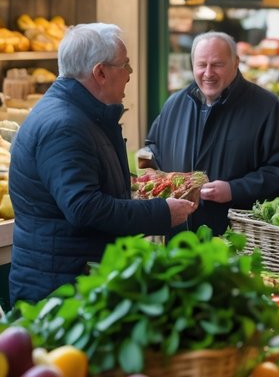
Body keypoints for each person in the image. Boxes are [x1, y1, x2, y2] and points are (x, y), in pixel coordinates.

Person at [7, 24, 199, 304]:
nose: (129, 76)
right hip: (60, 291)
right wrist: (161, 213)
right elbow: (84, 207)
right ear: (100, 73)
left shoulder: (80, 116)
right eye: (126, 67)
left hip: (70, 277)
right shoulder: (65, 125)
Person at [146, 32, 279, 235]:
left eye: (217, 64)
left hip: (237, 239)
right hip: (179, 235)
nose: (208, 73)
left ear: (236, 63)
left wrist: (233, 189)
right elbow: (153, 150)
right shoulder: (174, 105)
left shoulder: (267, 107)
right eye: (202, 65)